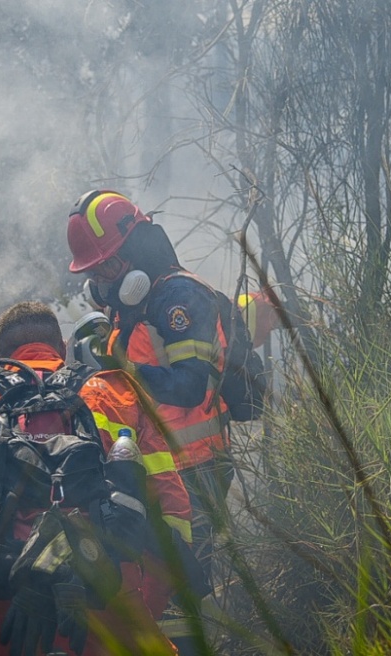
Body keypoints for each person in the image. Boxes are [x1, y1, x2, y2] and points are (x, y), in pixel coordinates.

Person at [0, 301, 191, 655]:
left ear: (1, 355)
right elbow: (170, 509)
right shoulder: (118, 394)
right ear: (64, 348)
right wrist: (141, 602)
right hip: (99, 581)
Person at [65, 190, 236, 651]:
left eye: (108, 265)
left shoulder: (179, 296)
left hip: (197, 469)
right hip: (161, 472)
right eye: (95, 271)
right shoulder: (131, 306)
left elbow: (190, 385)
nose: (101, 279)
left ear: (137, 247)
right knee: (155, 590)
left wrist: (119, 368)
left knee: (187, 591)